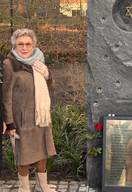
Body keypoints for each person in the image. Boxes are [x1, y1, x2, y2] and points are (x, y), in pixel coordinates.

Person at [2, 28, 56, 192]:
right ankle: (24, 187)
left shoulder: (39, 61)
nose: (24, 48)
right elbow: (6, 96)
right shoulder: (9, 64)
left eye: (28, 44)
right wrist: (10, 123)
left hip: (41, 117)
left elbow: (50, 90)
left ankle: (42, 185)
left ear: (33, 45)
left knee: (42, 152)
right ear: (15, 45)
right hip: (21, 119)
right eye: (20, 44)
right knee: (23, 155)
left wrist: (47, 75)